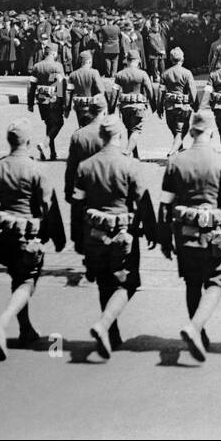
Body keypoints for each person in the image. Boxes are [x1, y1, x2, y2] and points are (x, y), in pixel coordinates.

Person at [159, 111, 221, 362]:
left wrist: (164, 238)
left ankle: (199, 332)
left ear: (190, 132)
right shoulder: (220, 162)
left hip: (184, 235)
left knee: (192, 283)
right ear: (211, 132)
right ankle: (195, 328)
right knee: (217, 281)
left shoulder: (175, 161)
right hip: (213, 236)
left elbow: (165, 205)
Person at [0, 121, 66, 359]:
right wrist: (57, 236)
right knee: (27, 282)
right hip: (27, 237)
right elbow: (49, 206)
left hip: (1, 238)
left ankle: (26, 329)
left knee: (17, 279)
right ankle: (0, 324)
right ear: (27, 142)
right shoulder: (36, 170)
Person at [70, 117, 155, 359]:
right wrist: (152, 230)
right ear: (119, 136)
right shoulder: (130, 165)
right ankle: (105, 324)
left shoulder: (85, 166)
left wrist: (77, 237)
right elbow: (143, 202)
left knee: (103, 283)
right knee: (128, 283)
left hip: (94, 234)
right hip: (122, 235)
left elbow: (77, 204)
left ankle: (112, 333)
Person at [28, 43, 67, 162]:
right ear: (54, 53)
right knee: (58, 123)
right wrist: (63, 101)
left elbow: (31, 86)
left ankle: (52, 152)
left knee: (49, 125)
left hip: (41, 100)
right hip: (54, 99)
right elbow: (61, 85)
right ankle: (45, 145)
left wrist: (30, 103)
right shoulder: (57, 66)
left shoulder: (37, 66)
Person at [112, 51, 154, 159]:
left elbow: (114, 92)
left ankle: (135, 155)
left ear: (127, 60)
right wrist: (154, 106)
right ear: (137, 61)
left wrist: (111, 109)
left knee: (130, 130)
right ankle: (127, 151)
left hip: (124, 107)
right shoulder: (142, 74)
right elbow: (150, 90)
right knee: (136, 130)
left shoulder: (120, 74)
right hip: (138, 107)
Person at [158, 48, 199, 156]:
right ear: (182, 59)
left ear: (171, 59)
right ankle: (173, 151)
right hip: (183, 107)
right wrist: (196, 106)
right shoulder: (187, 73)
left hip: (169, 107)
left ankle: (178, 150)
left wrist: (159, 108)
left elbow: (161, 92)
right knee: (180, 132)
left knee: (175, 131)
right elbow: (193, 91)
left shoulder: (165, 73)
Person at [68, 50, 106, 127]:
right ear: (89, 61)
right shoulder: (94, 73)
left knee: (82, 127)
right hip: (92, 106)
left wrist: (67, 108)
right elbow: (101, 90)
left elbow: (68, 92)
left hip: (79, 106)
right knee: (92, 128)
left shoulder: (73, 75)